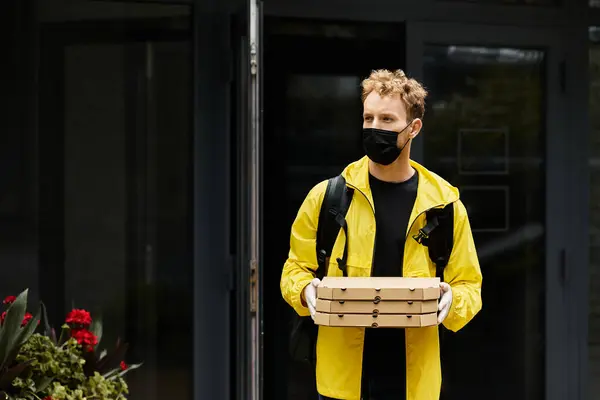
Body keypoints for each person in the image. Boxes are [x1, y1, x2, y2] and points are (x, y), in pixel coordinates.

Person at [280, 69, 482, 400]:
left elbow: (469, 286)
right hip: (342, 380)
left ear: (413, 128)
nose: (375, 128)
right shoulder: (328, 197)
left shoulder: (444, 206)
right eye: (368, 117)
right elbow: (295, 269)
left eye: (387, 119)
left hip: (412, 382)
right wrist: (305, 292)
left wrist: (452, 301)